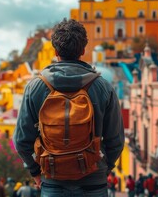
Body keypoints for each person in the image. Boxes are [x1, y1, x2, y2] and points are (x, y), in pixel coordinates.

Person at [13, 19, 124, 197]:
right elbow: (116, 141)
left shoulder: (35, 87)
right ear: (83, 50)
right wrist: (104, 168)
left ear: (55, 51)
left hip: (53, 180)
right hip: (94, 181)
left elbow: (21, 140)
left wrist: (35, 172)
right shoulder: (103, 87)